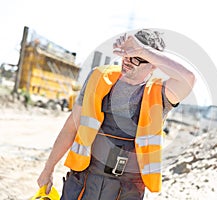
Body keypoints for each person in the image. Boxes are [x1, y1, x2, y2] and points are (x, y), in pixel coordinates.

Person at [37, 29, 195, 199]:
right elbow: (71, 127)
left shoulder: (160, 95)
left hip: (125, 191)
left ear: (153, 64)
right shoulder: (98, 79)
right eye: (127, 54)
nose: (128, 61)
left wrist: (142, 50)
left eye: (137, 58)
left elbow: (188, 78)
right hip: (83, 184)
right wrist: (48, 169)